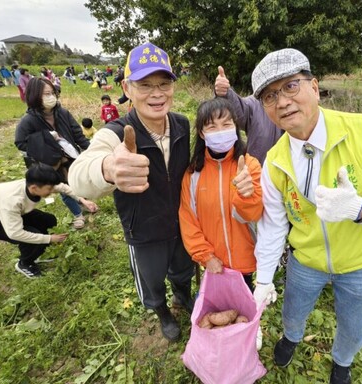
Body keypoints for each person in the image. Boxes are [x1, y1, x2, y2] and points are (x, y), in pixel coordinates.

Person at [249, 48, 362, 383]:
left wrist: (360, 209)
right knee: (293, 310)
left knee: (354, 323)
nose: (281, 102)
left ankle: (343, 361)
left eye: (291, 86)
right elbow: (273, 226)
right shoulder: (275, 160)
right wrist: (263, 281)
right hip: (305, 262)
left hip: (361, 263)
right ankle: (291, 337)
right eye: (270, 95)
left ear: (314, 86)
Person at [68, 42, 195, 342]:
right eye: (145, 84)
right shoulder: (114, 133)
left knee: (182, 268)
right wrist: (108, 168)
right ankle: (163, 312)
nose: (157, 93)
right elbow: (78, 176)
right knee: (151, 281)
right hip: (143, 229)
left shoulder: (181, 124)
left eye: (164, 83)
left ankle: (182, 297)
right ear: (127, 86)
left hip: (181, 223)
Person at [179, 97, 263, 291]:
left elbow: (253, 215)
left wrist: (246, 195)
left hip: (245, 260)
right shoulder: (193, 174)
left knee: (243, 314)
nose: (220, 132)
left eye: (226, 124)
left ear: (235, 128)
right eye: (212, 127)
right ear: (201, 133)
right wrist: (206, 256)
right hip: (213, 264)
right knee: (217, 313)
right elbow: (188, 219)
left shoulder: (249, 165)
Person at [14, 77, 94, 230]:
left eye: (52, 93)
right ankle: (78, 214)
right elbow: (20, 142)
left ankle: (83, 202)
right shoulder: (29, 120)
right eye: (45, 94)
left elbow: (78, 135)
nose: (50, 97)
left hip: (70, 156)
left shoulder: (62, 113)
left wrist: (93, 150)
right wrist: (45, 140)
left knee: (76, 182)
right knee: (63, 188)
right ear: (34, 96)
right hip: (50, 162)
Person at [0, 164, 72, 278]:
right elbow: (15, 234)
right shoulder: (11, 201)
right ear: (34, 188)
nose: (52, 191)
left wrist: (82, 200)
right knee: (31, 237)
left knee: (48, 220)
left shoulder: (33, 184)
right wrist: (49, 238)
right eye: (49, 189)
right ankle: (25, 263)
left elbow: (61, 187)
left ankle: (41, 252)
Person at [214, 66, 283, 165]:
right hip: (258, 172)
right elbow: (238, 109)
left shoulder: (298, 102)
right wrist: (225, 93)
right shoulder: (254, 104)